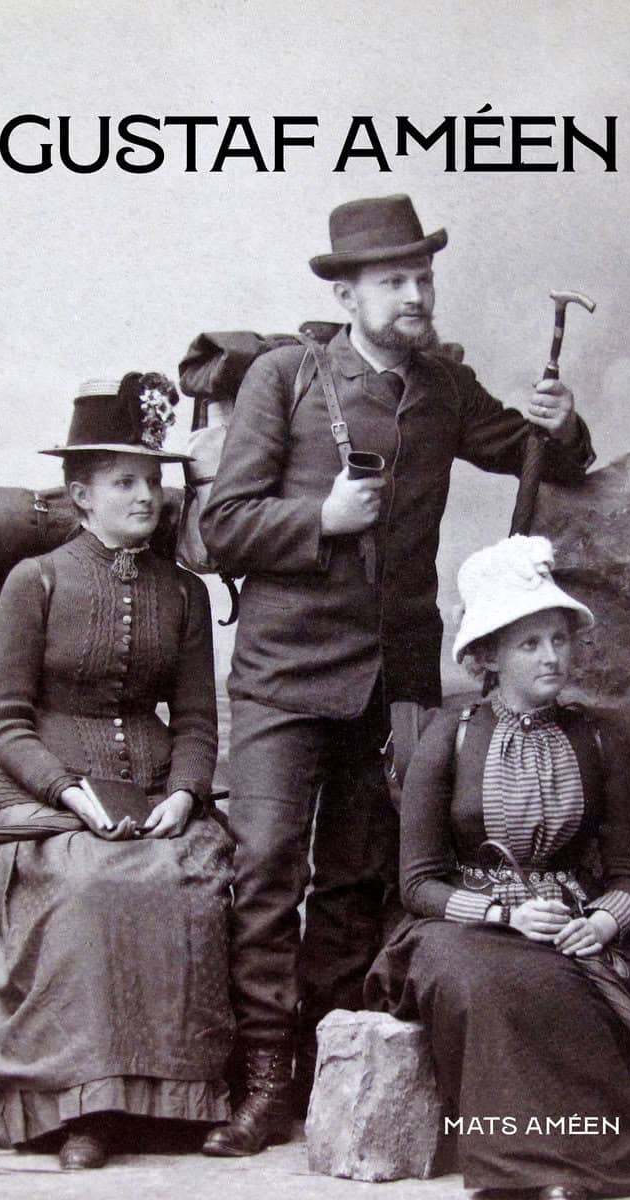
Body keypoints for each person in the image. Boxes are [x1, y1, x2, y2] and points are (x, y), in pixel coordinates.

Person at [198, 194, 595, 1156]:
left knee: (359, 875)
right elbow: (221, 528)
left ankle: (327, 1059)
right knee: (265, 869)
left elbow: (538, 457)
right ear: (347, 294)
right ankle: (263, 1077)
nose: (414, 295)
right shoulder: (285, 378)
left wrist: (562, 423)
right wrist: (320, 520)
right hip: (284, 674)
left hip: (394, 678)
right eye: (392, 281)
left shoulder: (443, 386)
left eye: (422, 277)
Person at [0, 374, 235, 1170]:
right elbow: (5, 721)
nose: (145, 495)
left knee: (194, 877)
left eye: (152, 480)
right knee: (88, 884)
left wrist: (183, 794)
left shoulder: (182, 592)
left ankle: (168, 1101)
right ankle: (81, 1106)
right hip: (42, 799)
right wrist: (70, 791)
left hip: (151, 796)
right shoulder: (36, 580)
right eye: (123, 482)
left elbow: (195, 720)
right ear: (80, 496)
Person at [365, 534, 630, 1198]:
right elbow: (417, 883)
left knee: (571, 985)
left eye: (559, 639)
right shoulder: (446, 738)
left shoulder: (603, 740)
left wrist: (600, 922)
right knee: (487, 983)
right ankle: (523, 1168)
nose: (551, 656)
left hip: (570, 926)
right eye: (529, 644)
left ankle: (594, 1158)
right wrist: (504, 914)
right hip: (457, 929)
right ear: (488, 656)